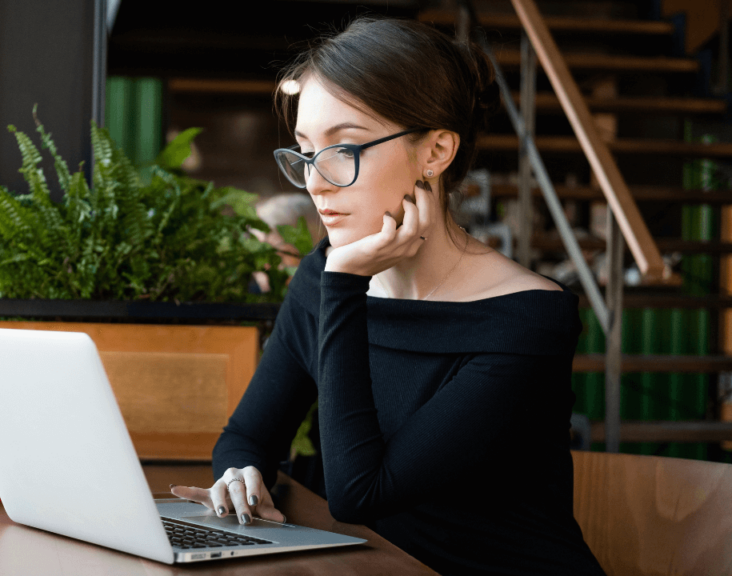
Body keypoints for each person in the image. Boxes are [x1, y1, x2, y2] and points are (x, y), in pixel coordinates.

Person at [170, 16, 605, 576]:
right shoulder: (321, 277)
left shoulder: (526, 318)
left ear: (436, 152)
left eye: (344, 149)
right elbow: (248, 435)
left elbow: (362, 493)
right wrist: (239, 475)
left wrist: (347, 286)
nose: (316, 183)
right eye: (305, 153)